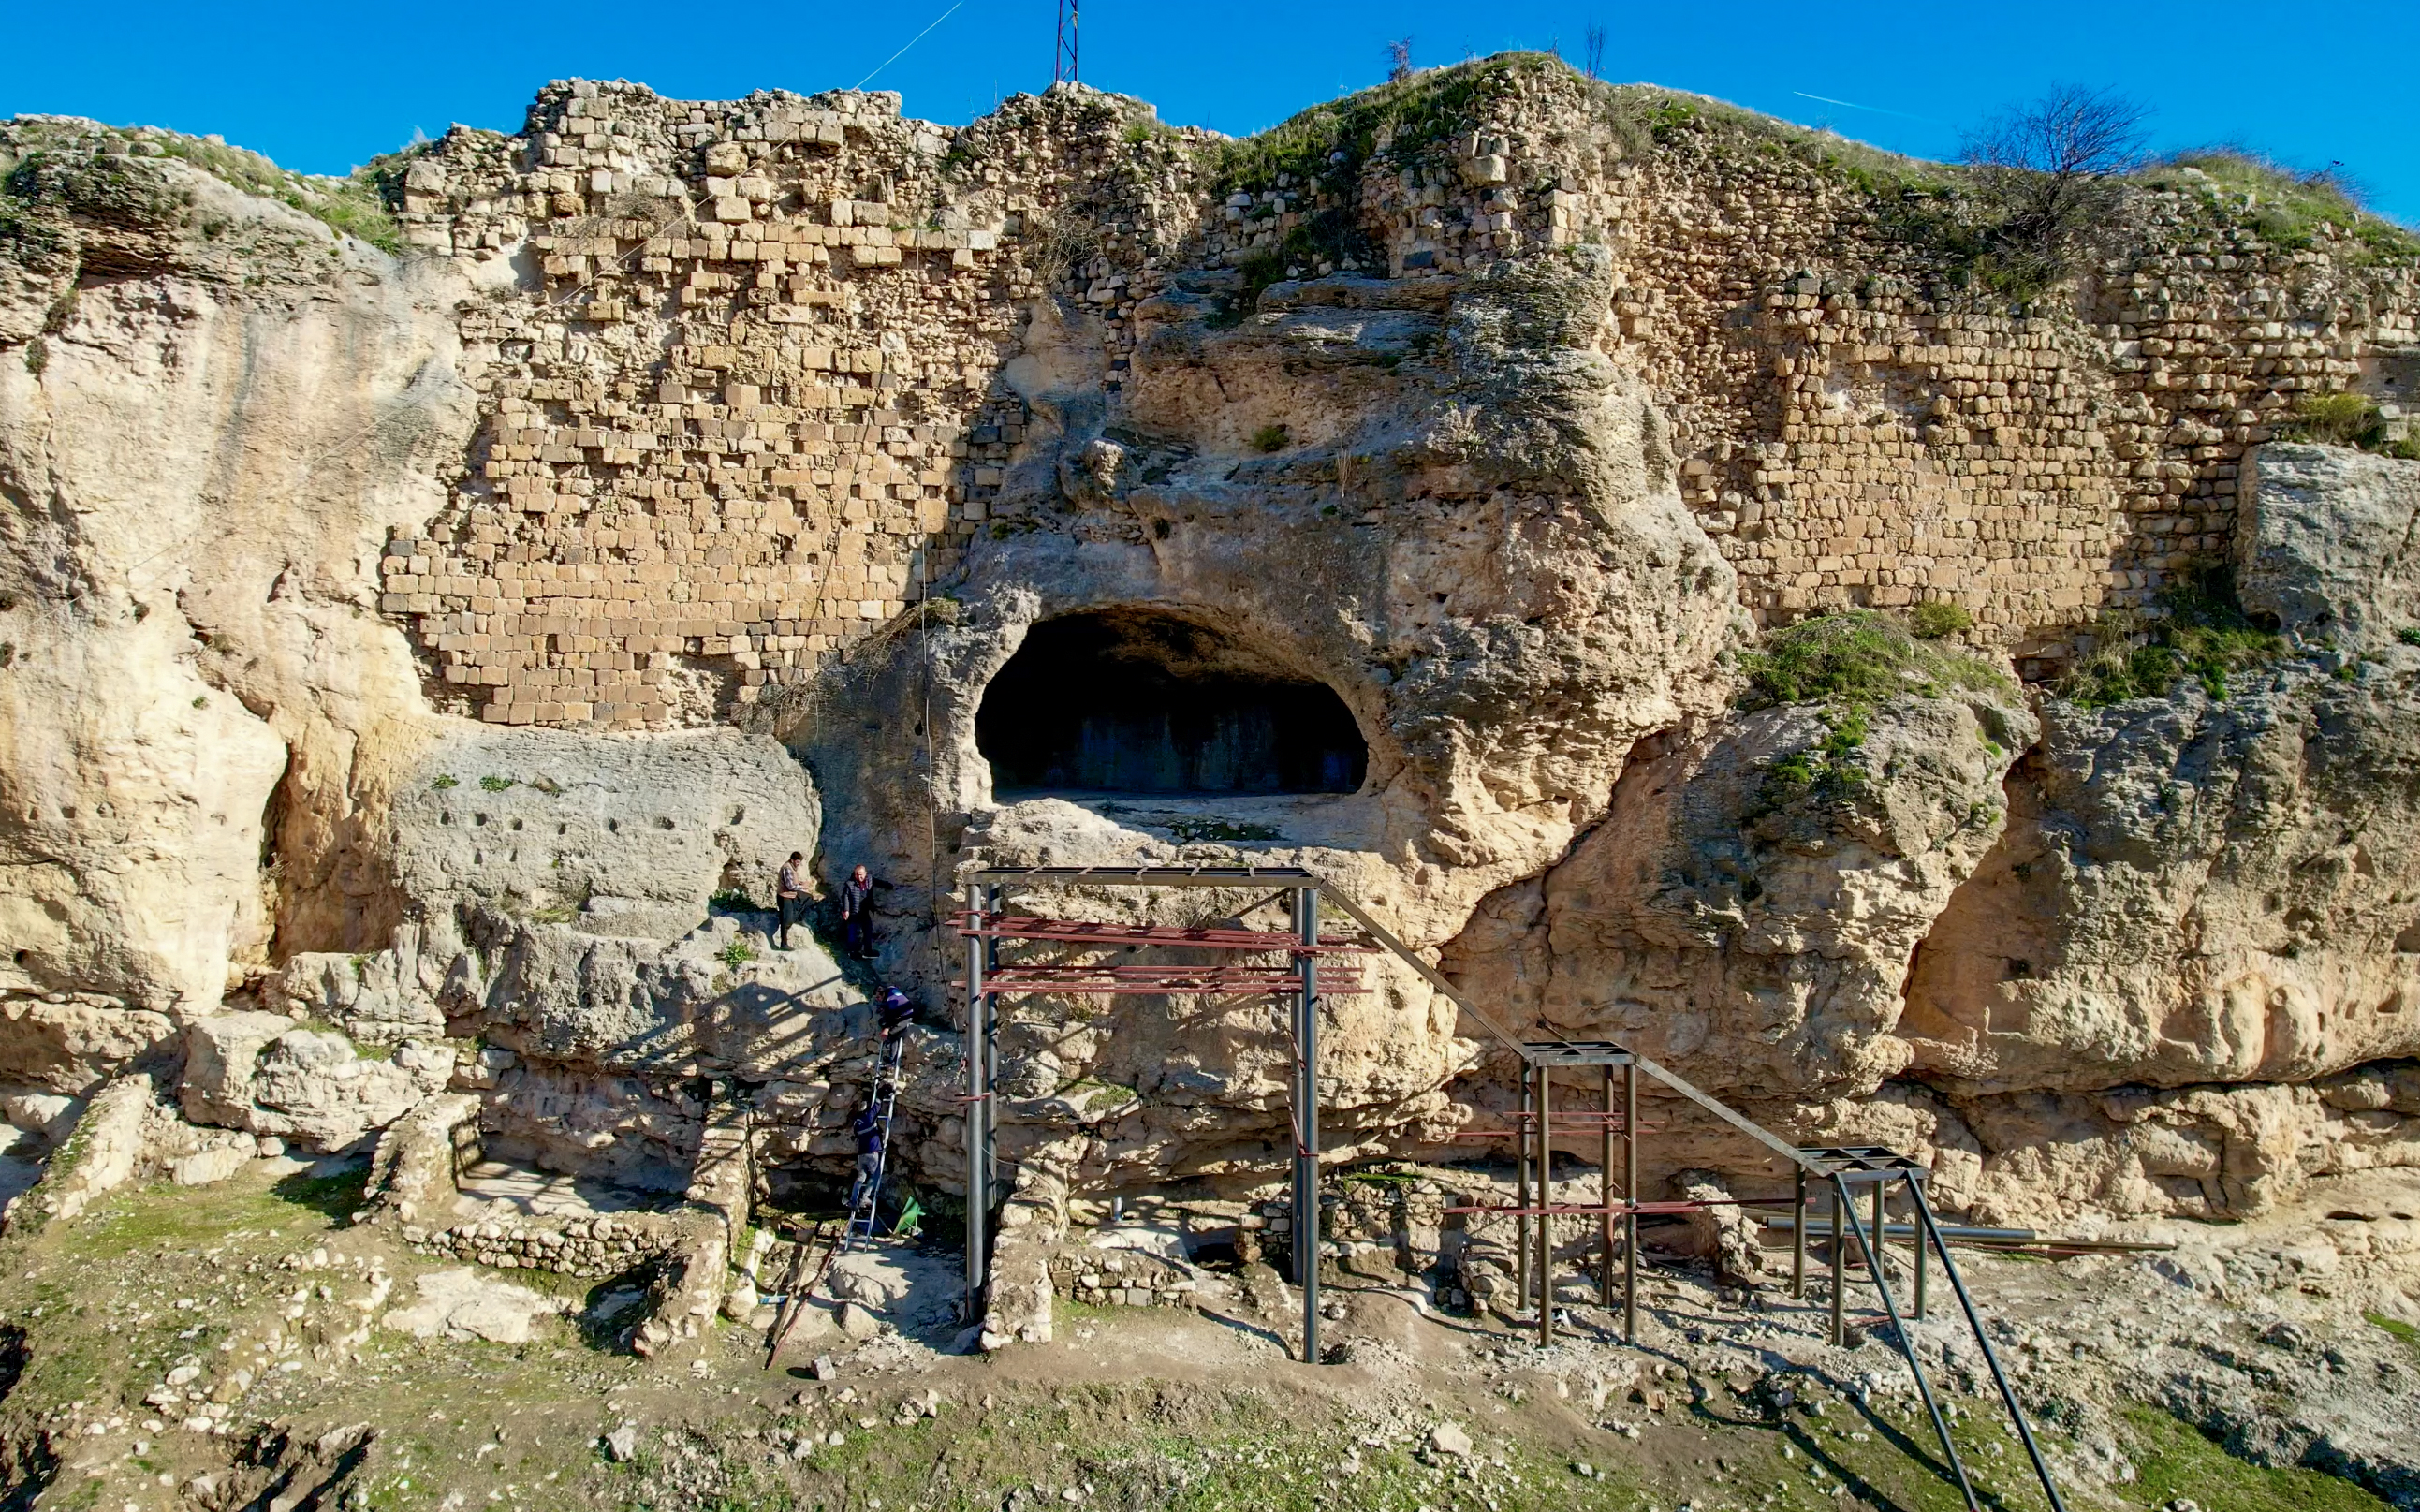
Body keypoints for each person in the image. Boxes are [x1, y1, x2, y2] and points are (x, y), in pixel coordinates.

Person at [846, 1094, 887, 1213]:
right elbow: (877, 1106)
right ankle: (864, 1199)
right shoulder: (868, 1115)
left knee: (861, 1177)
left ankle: (853, 1201)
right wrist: (883, 1092)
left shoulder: (856, 1121)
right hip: (872, 1151)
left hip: (861, 1153)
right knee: (875, 1176)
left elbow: (857, 1135)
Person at [840, 864, 877, 959]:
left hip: (864, 911)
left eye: (861, 874)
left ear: (865, 873)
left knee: (868, 930)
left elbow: (879, 883)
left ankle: (867, 951)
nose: (860, 877)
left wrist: (891, 886)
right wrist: (846, 910)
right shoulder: (850, 884)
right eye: (858, 875)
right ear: (855, 875)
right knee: (853, 932)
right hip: (854, 912)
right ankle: (853, 952)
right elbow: (845, 897)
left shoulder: (869, 879)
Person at [774, 851, 807, 950]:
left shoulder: (792, 867)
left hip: (791, 895)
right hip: (785, 896)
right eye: (797, 862)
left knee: (808, 898)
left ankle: (797, 918)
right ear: (792, 860)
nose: (798, 864)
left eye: (799, 862)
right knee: (786, 920)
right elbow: (790, 886)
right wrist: (803, 887)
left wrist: (800, 883)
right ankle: (783, 944)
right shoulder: (787, 868)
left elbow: (792, 881)